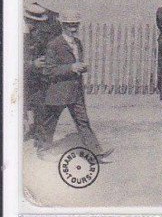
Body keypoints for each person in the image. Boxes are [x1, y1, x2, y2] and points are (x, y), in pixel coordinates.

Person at [36, 10, 110, 159]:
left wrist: (81, 67)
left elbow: (75, 64)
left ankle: (96, 152)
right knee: (50, 122)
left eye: (76, 25)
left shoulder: (78, 43)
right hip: (58, 91)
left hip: (75, 91)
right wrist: (71, 67)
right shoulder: (54, 44)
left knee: (83, 121)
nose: (73, 28)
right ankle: (43, 151)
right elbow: (49, 70)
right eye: (70, 25)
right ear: (63, 25)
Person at [23, 3, 52, 142]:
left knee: (34, 103)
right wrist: (32, 63)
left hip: (31, 76)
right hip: (20, 77)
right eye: (36, 22)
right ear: (29, 19)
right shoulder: (17, 33)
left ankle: (34, 132)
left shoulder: (33, 33)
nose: (38, 26)